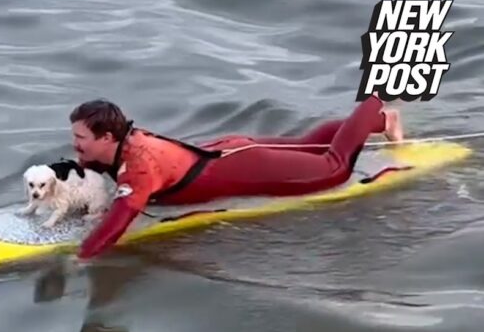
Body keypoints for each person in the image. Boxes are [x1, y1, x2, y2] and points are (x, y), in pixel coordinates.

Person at [70, 94, 404, 259]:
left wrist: (80, 258)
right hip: (230, 152)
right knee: (309, 146)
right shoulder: (121, 141)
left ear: (107, 138)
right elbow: (89, 170)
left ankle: (376, 106)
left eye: (81, 139)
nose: (74, 144)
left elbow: (115, 226)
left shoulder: (138, 169)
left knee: (335, 168)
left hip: (246, 166)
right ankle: (375, 123)